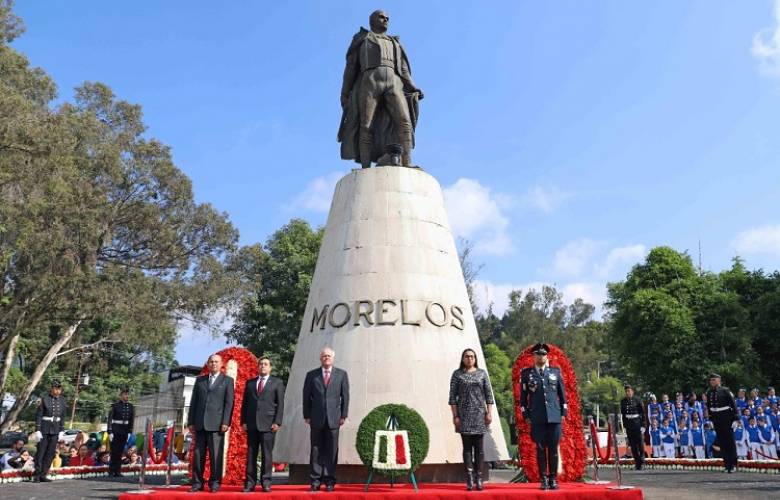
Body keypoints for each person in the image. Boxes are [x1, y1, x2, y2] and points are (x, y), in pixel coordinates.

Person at [338, 10, 424, 168]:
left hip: (394, 82)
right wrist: (344, 92)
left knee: (405, 122)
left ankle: (407, 162)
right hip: (370, 81)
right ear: (372, 21)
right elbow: (351, 67)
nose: (385, 20)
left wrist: (412, 87)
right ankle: (365, 167)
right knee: (366, 125)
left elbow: (403, 69)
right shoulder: (362, 38)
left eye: (387, 18)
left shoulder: (395, 42)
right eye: (381, 17)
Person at [519, 343, 567, 491]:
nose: (541, 356)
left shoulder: (555, 372)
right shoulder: (526, 374)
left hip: (554, 416)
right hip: (537, 416)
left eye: (543, 354)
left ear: (547, 356)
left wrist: (563, 413)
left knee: (553, 449)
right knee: (540, 449)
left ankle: (553, 478)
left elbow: (562, 395)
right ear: (533, 357)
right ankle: (543, 479)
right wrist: (526, 414)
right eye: (538, 354)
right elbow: (523, 398)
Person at [303, 347, 350, 492]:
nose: (326, 358)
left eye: (329, 356)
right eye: (324, 356)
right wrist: (307, 415)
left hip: (334, 418)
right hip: (316, 418)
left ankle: (329, 480)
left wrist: (343, 415)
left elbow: (345, 396)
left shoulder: (341, 374)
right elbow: (306, 396)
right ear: (320, 358)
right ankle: (315, 480)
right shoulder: (312, 375)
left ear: (333, 358)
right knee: (316, 450)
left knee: (332, 450)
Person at [186, 354, 235, 493]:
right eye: (211, 362)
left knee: (215, 456)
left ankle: (214, 483)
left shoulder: (227, 381)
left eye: (216, 362)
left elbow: (229, 403)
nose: (213, 364)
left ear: (221, 364)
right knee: (198, 456)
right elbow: (194, 402)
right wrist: (191, 421)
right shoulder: (200, 380)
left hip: (217, 424)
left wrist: (226, 421)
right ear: (208, 364)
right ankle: (197, 483)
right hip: (200, 423)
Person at [449, 348, 495, 491]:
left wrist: (489, 413)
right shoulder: (457, 374)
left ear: (475, 359)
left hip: (480, 414)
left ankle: (479, 477)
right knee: (467, 448)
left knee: (479, 449)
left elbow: (489, 395)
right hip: (464, 415)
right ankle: (469, 477)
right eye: (467, 356)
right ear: (463, 358)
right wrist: (455, 416)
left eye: (472, 356)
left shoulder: (482, 373)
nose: (469, 359)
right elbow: (452, 398)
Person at [241, 356, 285, 493]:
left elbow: (280, 404)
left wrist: (277, 422)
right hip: (252, 424)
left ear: (270, 367)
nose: (263, 366)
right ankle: (250, 483)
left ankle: (266, 482)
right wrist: (243, 421)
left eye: (266, 364)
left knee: (267, 455)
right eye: (261, 364)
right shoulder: (250, 383)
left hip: (269, 424)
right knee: (251, 455)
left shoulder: (277, 382)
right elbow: (245, 404)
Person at [32, 379, 66, 482]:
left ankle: (43, 474)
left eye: (59, 388)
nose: (58, 390)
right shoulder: (44, 399)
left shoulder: (63, 400)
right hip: (44, 428)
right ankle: (37, 475)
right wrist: (38, 429)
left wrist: (62, 430)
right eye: (56, 388)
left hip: (55, 429)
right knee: (41, 452)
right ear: (52, 388)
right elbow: (39, 415)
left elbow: (63, 416)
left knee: (50, 453)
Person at [705, 373, 739, 472]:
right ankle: (726, 464)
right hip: (716, 418)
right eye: (711, 380)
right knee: (722, 442)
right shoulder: (709, 392)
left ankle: (733, 464)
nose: (712, 381)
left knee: (730, 441)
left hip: (726, 417)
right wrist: (711, 419)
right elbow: (709, 406)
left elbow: (733, 403)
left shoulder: (725, 390)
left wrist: (736, 418)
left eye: (714, 380)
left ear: (719, 381)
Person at [107, 386, 134, 477]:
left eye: (128, 394)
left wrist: (130, 431)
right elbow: (110, 419)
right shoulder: (115, 406)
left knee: (120, 451)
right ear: (120, 395)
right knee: (114, 451)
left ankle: (118, 471)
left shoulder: (131, 407)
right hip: (115, 430)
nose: (127, 396)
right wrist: (109, 431)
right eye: (125, 394)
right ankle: (111, 470)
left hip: (124, 430)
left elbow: (131, 420)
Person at [620, 384, 645, 470]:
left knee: (640, 444)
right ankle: (637, 463)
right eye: (626, 391)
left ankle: (642, 461)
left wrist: (643, 425)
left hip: (637, 423)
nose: (627, 393)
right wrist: (625, 426)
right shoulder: (623, 401)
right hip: (629, 425)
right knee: (633, 446)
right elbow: (623, 415)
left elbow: (643, 413)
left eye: (629, 391)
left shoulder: (638, 400)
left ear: (632, 391)